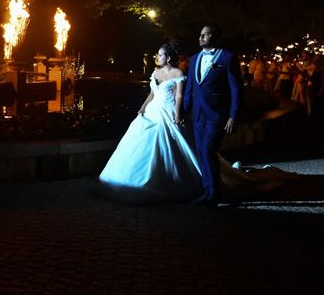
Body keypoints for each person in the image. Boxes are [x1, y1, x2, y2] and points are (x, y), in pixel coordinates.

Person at [98, 41, 204, 202]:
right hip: (152, 110)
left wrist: (177, 114)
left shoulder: (178, 73)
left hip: (168, 111)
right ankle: (130, 178)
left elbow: (179, 96)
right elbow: (152, 94)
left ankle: (173, 180)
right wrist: (142, 107)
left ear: (168, 58)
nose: (157, 57)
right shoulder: (155, 73)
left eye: (160, 54)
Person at [184, 24, 243, 206]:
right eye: (200, 34)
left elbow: (236, 89)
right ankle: (207, 191)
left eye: (206, 34)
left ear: (215, 37)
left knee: (209, 151)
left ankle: (214, 194)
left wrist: (233, 116)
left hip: (218, 114)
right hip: (198, 115)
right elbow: (190, 88)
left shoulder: (227, 57)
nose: (201, 37)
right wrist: (184, 111)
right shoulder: (194, 59)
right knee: (201, 154)